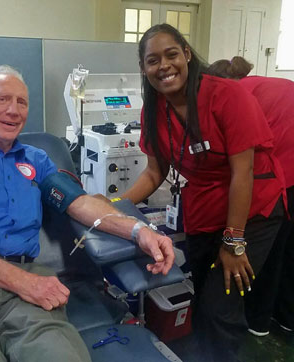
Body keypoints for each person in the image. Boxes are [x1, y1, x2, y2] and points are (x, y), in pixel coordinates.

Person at [0, 65, 175, 362]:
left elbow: (79, 203)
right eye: (2, 99)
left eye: (22, 102)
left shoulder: (36, 159)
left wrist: (138, 230)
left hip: (21, 289)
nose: (14, 110)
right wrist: (24, 283)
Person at [121, 24, 286, 362]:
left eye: (171, 54)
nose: (164, 66)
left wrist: (234, 242)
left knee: (219, 304)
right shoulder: (153, 110)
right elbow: (155, 172)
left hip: (252, 208)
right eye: (153, 60)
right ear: (143, 68)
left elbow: (244, 172)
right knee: (202, 297)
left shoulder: (226, 95)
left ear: (186, 54)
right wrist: (113, 206)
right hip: (205, 207)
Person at [208, 56, 294, 335]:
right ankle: (286, 317)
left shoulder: (237, 95)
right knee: (290, 249)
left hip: (284, 173)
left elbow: (242, 162)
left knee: (268, 250)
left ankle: (257, 321)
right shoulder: (266, 84)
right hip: (286, 165)